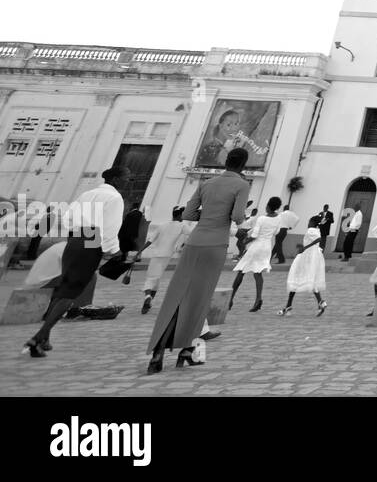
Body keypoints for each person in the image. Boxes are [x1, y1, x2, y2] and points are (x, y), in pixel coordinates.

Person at [146, 148, 250, 374]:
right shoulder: (241, 184)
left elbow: (188, 214)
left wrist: (209, 212)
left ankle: (158, 352)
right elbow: (238, 217)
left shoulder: (207, 183)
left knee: (176, 296)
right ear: (243, 164)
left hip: (194, 242)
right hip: (215, 244)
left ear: (225, 161)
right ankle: (187, 350)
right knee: (200, 299)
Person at [22, 165, 129, 358]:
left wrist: (81, 236)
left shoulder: (86, 194)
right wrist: (113, 251)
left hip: (74, 241)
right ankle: (39, 336)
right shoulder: (114, 198)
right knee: (70, 292)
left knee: (64, 287)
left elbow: (68, 219)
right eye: (125, 177)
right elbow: (110, 228)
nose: (128, 181)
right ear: (115, 179)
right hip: (91, 242)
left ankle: (44, 338)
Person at [228, 196, 281, 312]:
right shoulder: (278, 218)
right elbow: (276, 232)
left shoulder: (262, 218)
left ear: (268, 206)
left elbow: (254, 235)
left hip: (256, 246)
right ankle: (258, 299)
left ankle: (230, 299)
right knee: (258, 273)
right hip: (267, 247)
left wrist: (245, 241)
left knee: (241, 271)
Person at [140, 207, 187, 314]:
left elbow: (150, 241)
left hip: (156, 255)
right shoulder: (183, 226)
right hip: (167, 256)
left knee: (151, 278)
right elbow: (193, 234)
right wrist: (183, 245)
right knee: (156, 279)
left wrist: (139, 252)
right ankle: (149, 301)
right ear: (179, 215)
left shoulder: (162, 225)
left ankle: (147, 296)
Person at [279, 221, 326, 316]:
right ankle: (320, 302)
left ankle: (288, 306)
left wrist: (305, 248)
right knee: (310, 281)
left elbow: (318, 239)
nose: (308, 223)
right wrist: (303, 246)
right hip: (311, 259)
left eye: (309, 222)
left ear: (312, 223)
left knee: (295, 279)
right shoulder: (317, 230)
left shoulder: (311, 230)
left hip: (305, 259)